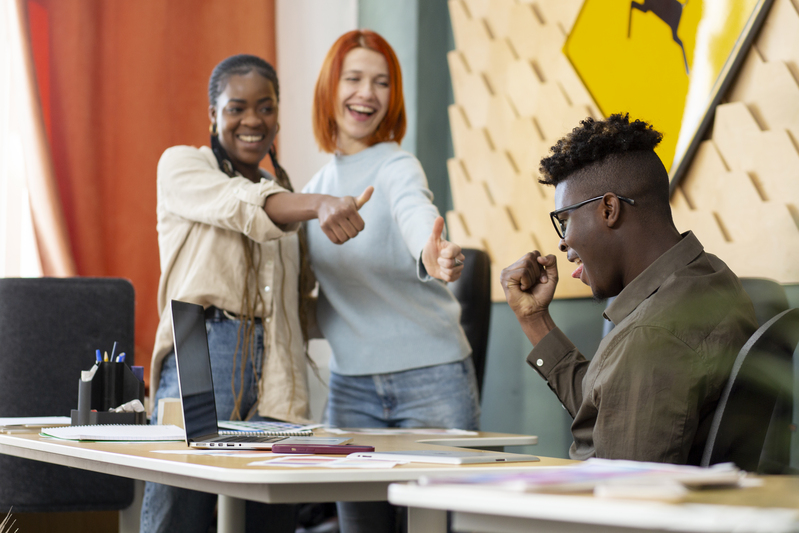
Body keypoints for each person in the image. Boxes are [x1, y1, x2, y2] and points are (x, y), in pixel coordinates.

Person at [140, 54, 371, 533]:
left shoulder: (283, 193)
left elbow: (298, 299)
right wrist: (320, 203)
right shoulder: (183, 166)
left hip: (280, 368)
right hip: (203, 348)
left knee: (268, 513)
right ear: (213, 114)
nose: (252, 121)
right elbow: (237, 205)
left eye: (265, 108)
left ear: (278, 114)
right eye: (236, 108)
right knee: (181, 514)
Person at [500, 113, 758, 465]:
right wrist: (535, 320)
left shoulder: (652, 336)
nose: (563, 243)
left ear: (609, 209)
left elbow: (624, 497)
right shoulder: (708, 276)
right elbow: (613, 408)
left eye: (565, 221)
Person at [302, 30, 480, 532]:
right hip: (350, 389)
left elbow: (413, 210)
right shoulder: (313, 192)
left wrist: (433, 251)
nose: (368, 93)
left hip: (433, 381)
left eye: (382, 82)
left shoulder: (397, 165)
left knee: (436, 527)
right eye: (354, 78)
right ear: (329, 88)